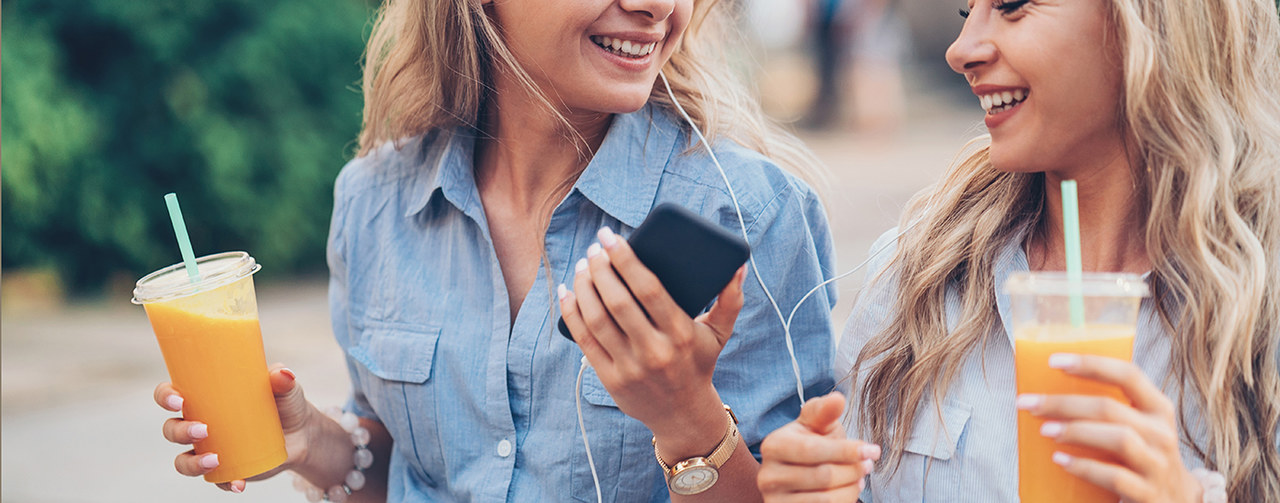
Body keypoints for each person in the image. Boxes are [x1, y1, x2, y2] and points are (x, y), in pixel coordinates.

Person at [153, 0, 838, 501]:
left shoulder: (749, 213)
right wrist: (311, 441)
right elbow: (405, 473)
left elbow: (802, 488)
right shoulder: (375, 202)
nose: (655, 6)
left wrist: (686, 416)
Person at [757, 0, 1280, 502]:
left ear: (1146, 20)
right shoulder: (913, 279)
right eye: (969, 11)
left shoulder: (1263, 304)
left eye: (1012, 5)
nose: (961, 49)